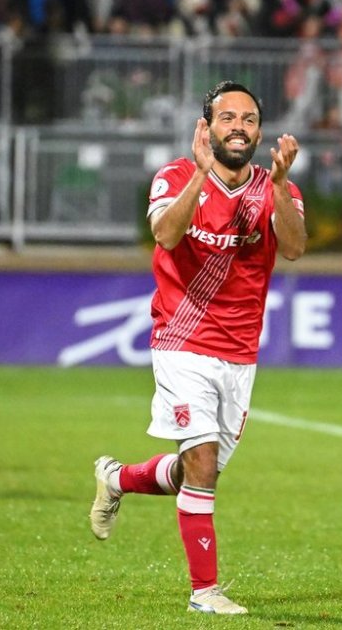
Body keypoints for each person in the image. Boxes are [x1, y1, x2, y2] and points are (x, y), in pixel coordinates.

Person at [89, 80, 306, 615]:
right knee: (203, 464)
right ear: (206, 126)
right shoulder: (174, 177)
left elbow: (296, 249)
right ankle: (204, 593)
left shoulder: (277, 188)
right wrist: (203, 174)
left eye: (249, 119)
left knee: (194, 470)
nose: (238, 126)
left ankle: (115, 477)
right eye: (227, 117)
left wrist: (281, 185)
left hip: (239, 353)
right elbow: (165, 236)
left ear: (260, 130)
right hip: (181, 340)